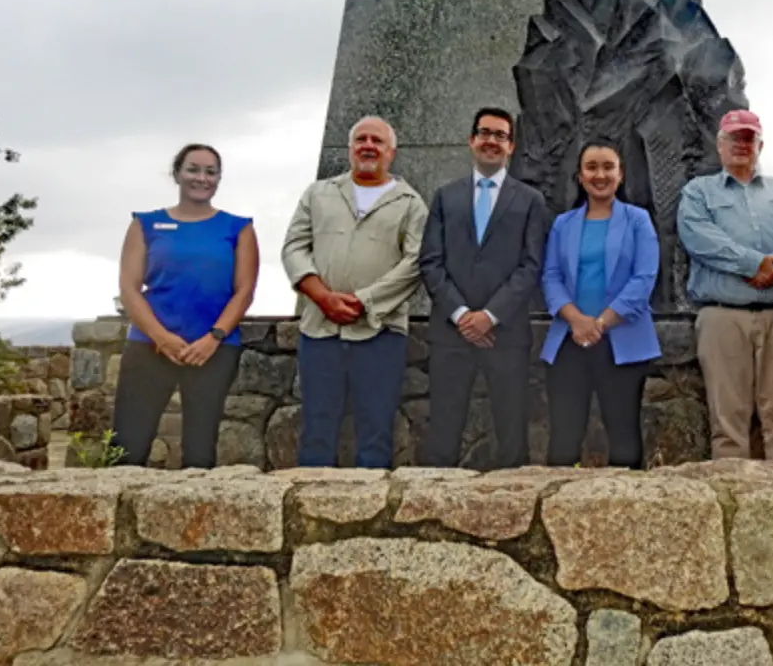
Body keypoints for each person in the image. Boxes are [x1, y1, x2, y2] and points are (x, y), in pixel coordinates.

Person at [281, 116, 428, 468]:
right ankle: (311, 496)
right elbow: (294, 248)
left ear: (391, 152)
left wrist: (365, 302)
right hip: (320, 330)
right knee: (317, 426)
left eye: (377, 141)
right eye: (361, 139)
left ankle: (371, 500)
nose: (368, 146)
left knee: (375, 428)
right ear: (349, 148)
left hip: (380, 333)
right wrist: (323, 297)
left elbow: (415, 263)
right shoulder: (318, 194)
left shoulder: (411, 203)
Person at [113, 144, 259, 468]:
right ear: (177, 173)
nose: (201, 178)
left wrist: (213, 338)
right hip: (149, 346)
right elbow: (129, 288)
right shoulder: (145, 224)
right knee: (127, 446)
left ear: (219, 178)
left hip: (213, 350)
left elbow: (245, 291)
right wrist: (161, 338)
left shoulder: (239, 228)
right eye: (193, 169)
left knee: (200, 451)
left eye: (210, 172)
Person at [419, 107, 549, 469]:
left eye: (500, 136)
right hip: (450, 334)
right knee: (443, 434)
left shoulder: (530, 200)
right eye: (485, 133)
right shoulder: (445, 197)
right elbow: (431, 261)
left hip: (506, 334)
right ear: (472, 140)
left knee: (511, 435)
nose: (492, 141)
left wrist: (490, 316)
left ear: (511, 146)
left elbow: (532, 265)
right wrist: (463, 315)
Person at [677, 109, 773, 461]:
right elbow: (698, 237)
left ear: (760, 145)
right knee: (727, 415)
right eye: (733, 138)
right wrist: (752, 264)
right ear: (719, 145)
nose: (741, 144)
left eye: (749, 138)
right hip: (722, 316)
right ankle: (730, 487)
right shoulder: (698, 192)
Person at [540, 139, 660, 467]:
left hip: (623, 340)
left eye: (608, 167)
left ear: (621, 175)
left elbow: (644, 278)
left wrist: (601, 323)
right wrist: (577, 321)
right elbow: (551, 277)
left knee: (624, 436)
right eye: (591, 167)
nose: (600, 174)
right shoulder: (563, 224)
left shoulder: (638, 220)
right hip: (570, 339)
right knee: (564, 437)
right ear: (580, 176)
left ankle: (627, 499)